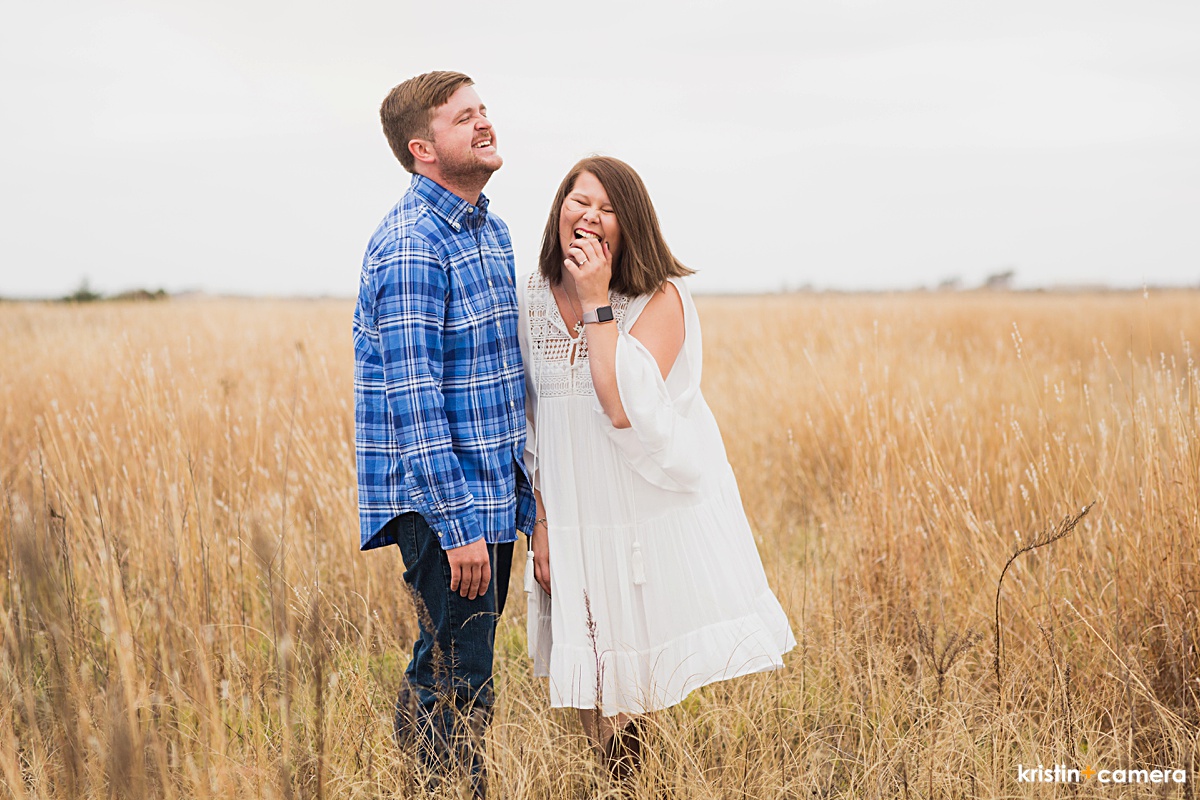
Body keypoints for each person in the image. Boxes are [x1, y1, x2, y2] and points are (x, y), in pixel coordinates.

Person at [520, 156, 796, 778]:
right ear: (558, 209)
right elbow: (530, 423)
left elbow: (621, 407)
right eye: (577, 200)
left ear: (630, 223)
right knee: (590, 676)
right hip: (568, 510)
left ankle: (630, 785)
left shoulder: (660, 296)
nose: (588, 216)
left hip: (634, 507)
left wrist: (596, 303)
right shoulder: (530, 296)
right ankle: (614, 779)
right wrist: (538, 524)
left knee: (628, 682)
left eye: (606, 208)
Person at [354, 71, 533, 797]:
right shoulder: (411, 246)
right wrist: (457, 528)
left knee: (464, 666)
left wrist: (526, 505)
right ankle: (443, 790)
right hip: (445, 503)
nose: (485, 123)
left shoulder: (493, 232)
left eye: (484, 110)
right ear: (423, 148)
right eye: (465, 119)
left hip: (489, 491)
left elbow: (502, 379)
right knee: (455, 675)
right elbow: (416, 400)